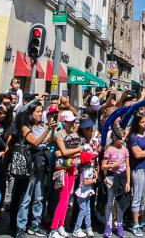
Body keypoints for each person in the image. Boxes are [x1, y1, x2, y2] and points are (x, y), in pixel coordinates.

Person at [16, 100, 53, 236]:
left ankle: (35, 224)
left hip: (42, 163)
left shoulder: (43, 126)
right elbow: (35, 142)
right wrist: (47, 130)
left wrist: (52, 129)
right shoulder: (26, 127)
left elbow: (49, 141)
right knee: (27, 197)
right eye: (37, 111)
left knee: (39, 196)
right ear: (30, 113)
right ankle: (21, 226)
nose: (40, 114)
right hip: (30, 164)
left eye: (41, 111)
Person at [49, 110, 83, 238]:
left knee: (66, 198)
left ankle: (61, 225)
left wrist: (73, 152)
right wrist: (78, 150)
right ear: (64, 122)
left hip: (71, 168)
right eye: (69, 121)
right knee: (62, 198)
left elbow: (72, 153)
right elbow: (63, 152)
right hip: (61, 169)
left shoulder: (74, 134)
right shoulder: (59, 134)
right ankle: (53, 229)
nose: (72, 123)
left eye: (73, 121)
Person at [102, 130, 131, 237]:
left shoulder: (125, 150)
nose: (122, 140)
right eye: (120, 138)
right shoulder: (109, 150)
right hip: (112, 177)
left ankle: (119, 225)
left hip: (122, 178)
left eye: (123, 137)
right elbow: (103, 166)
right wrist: (111, 166)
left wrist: (128, 182)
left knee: (120, 203)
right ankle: (108, 225)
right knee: (110, 202)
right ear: (114, 138)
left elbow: (128, 166)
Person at [73, 149, 98, 238]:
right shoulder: (85, 170)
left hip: (86, 192)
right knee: (83, 210)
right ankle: (76, 229)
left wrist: (95, 172)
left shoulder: (88, 168)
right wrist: (93, 180)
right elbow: (85, 182)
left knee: (88, 210)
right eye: (91, 159)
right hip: (82, 193)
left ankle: (88, 227)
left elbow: (94, 174)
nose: (92, 160)